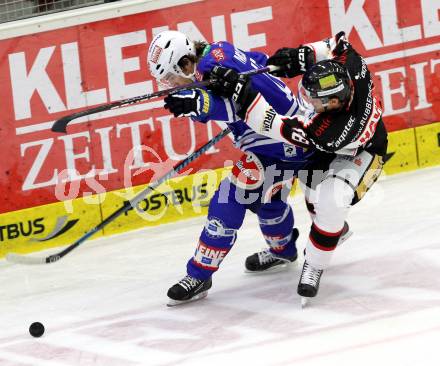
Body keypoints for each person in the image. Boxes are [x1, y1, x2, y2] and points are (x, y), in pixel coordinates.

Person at [209, 31, 388, 303]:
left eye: (314, 101)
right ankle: (332, 231)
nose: (308, 103)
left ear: (334, 103)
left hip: (364, 153)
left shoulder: (329, 129)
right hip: (329, 150)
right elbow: (338, 44)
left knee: (331, 201)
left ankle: (314, 265)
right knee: (311, 187)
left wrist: (241, 95)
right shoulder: (354, 67)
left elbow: (274, 126)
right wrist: (303, 55)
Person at [147, 30, 314, 306]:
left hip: (273, 144)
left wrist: (200, 104)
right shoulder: (218, 51)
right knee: (270, 204)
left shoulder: (211, 67)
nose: (169, 84)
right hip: (295, 138)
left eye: (169, 76)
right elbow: (257, 63)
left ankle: (199, 275)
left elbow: (238, 105)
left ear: (186, 63)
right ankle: (283, 250)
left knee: (230, 198)